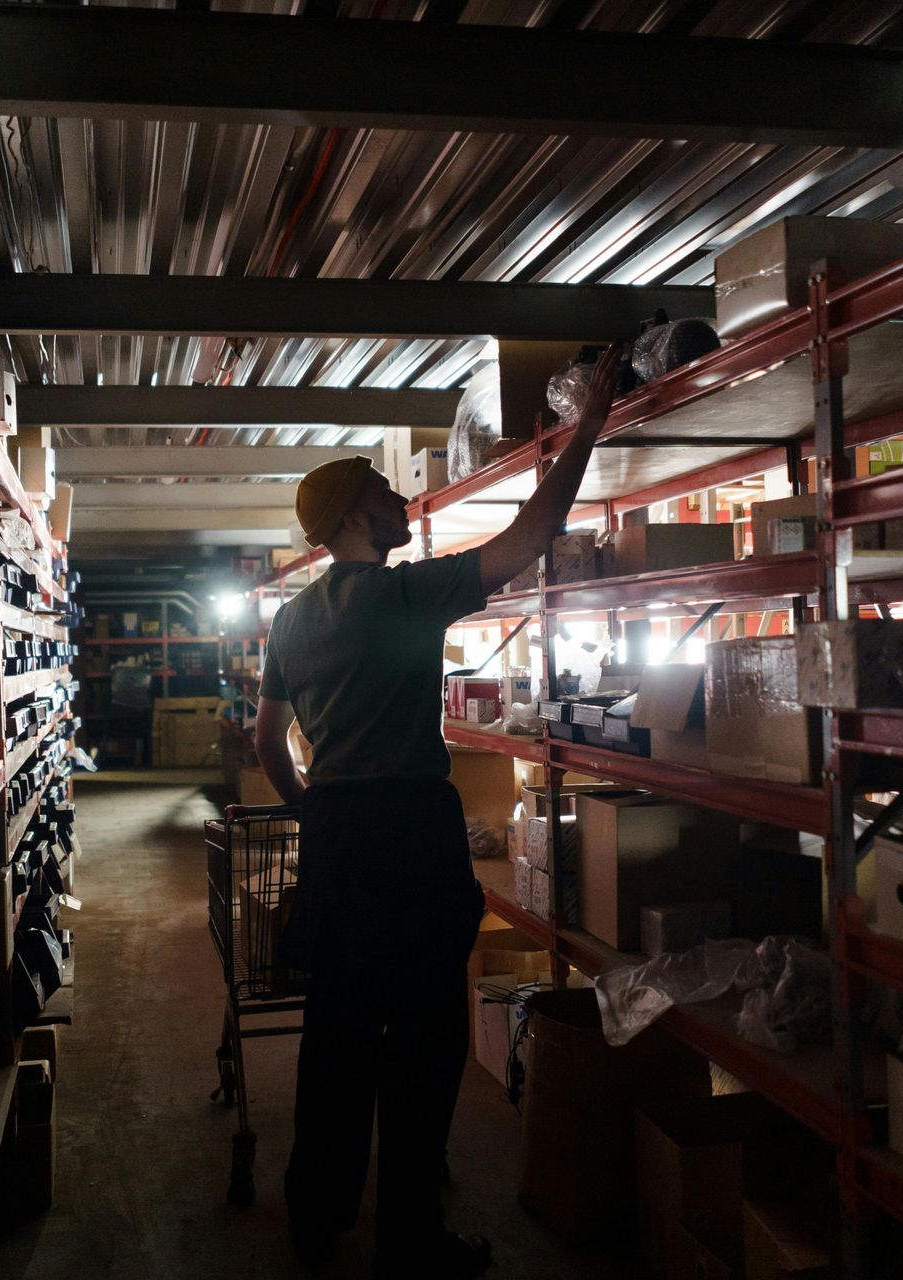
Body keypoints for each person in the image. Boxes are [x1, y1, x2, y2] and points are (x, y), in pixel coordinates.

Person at [252, 345, 621, 1277]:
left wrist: (311, 811)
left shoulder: (290, 623)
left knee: (335, 1034)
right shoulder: (409, 595)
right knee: (422, 1039)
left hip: (338, 836)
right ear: (350, 516)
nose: (399, 502)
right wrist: (590, 425)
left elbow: (265, 742)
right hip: (411, 836)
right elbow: (537, 534)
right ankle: (408, 1239)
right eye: (384, 492)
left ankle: (318, 1213)